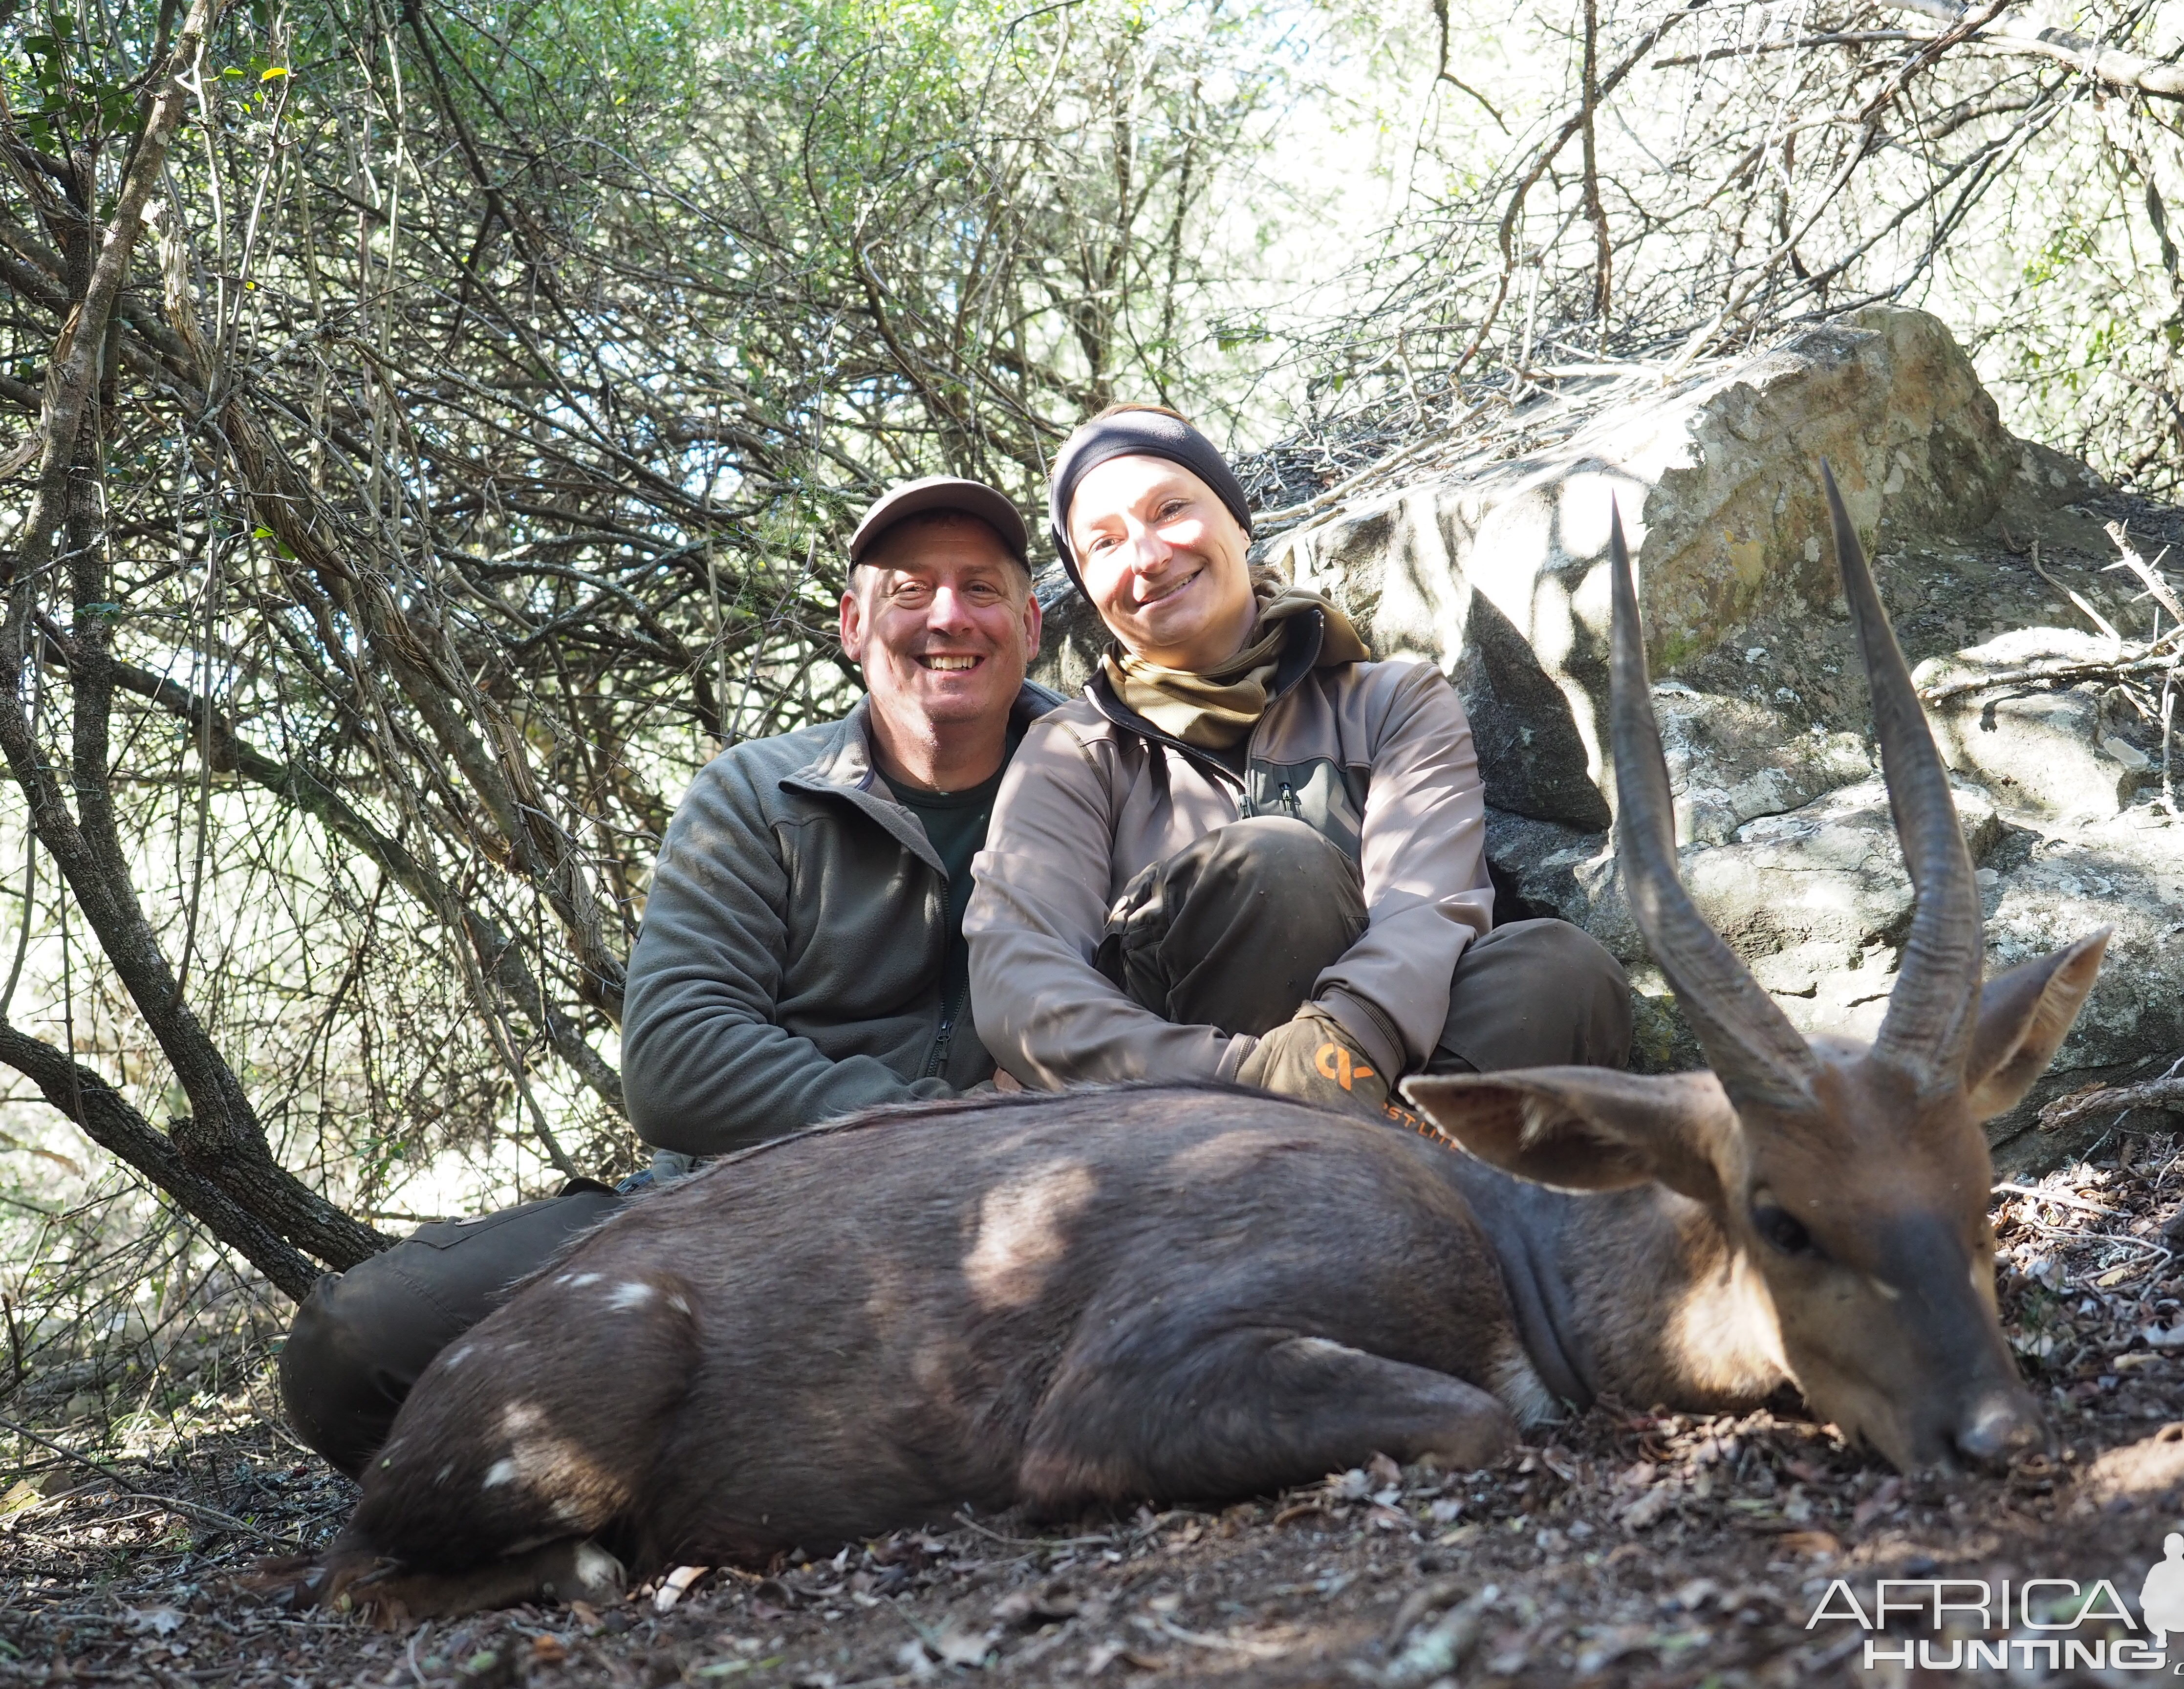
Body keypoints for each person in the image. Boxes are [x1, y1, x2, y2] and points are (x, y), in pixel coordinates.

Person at [278, 476, 1056, 1477]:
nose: (949, 617)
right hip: (728, 1216)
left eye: (982, 590)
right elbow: (678, 1060)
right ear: (854, 625)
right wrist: (941, 1126)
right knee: (359, 1346)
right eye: (910, 592)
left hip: (1021, 1216)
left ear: (1031, 625)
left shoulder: (1103, 771)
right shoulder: (757, 794)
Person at [965, 405, 1632, 1117]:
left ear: (1238, 522)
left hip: (1377, 1063)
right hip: (1183, 1112)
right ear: (1090, 590)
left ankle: (1375, 1166)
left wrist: (1343, 1050)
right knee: (1277, 869)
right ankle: (1354, 1161)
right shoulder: (1073, 752)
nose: (1148, 556)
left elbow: (1428, 911)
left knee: (1560, 973)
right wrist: (1256, 1078)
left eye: (1171, 509)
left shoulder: (1392, 703)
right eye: (1104, 544)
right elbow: (1020, 980)